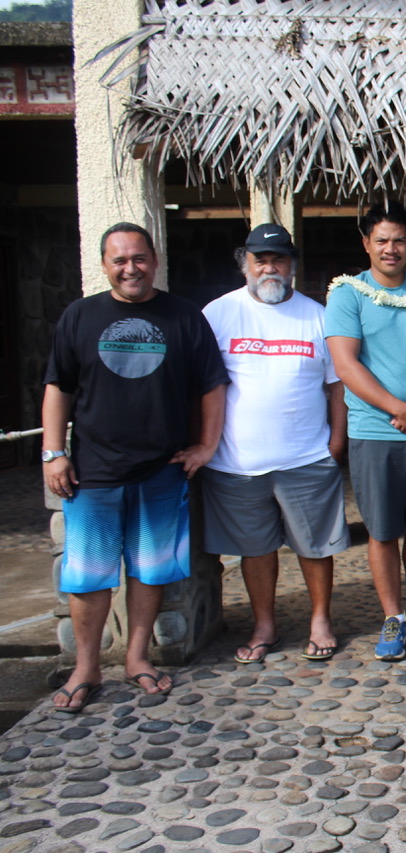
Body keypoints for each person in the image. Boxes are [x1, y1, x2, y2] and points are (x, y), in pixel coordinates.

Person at [42, 222, 228, 711]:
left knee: (151, 570)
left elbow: (212, 385)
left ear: (155, 260)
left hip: (162, 470)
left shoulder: (184, 316)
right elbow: (58, 387)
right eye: (120, 260)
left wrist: (206, 446)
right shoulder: (80, 316)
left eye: (139, 258)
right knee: (88, 576)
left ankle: (137, 657)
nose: (131, 268)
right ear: (105, 265)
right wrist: (53, 452)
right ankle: (86, 667)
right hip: (92, 472)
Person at [202, 225, 350, 664]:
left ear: (292, 266)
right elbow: (202, 386)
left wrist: (335, 443)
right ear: (244, 264)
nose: (269, 268)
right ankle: (264, 625)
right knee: (255, 549)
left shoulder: (318, 316)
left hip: (307, 457)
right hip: (237, 462)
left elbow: (338, 386)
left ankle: (320, 620)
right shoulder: (218, 313)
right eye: (260, 260)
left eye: (278, 260)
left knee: (315, 547)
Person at [324, 202, 406, 661]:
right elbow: (346, 364)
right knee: (382, 529)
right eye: (381, 240)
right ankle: (392, 616)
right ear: (366, 243)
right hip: (374, 430)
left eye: (399, 240)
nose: (390, 248)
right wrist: (397, 409)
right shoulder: (348, 294)